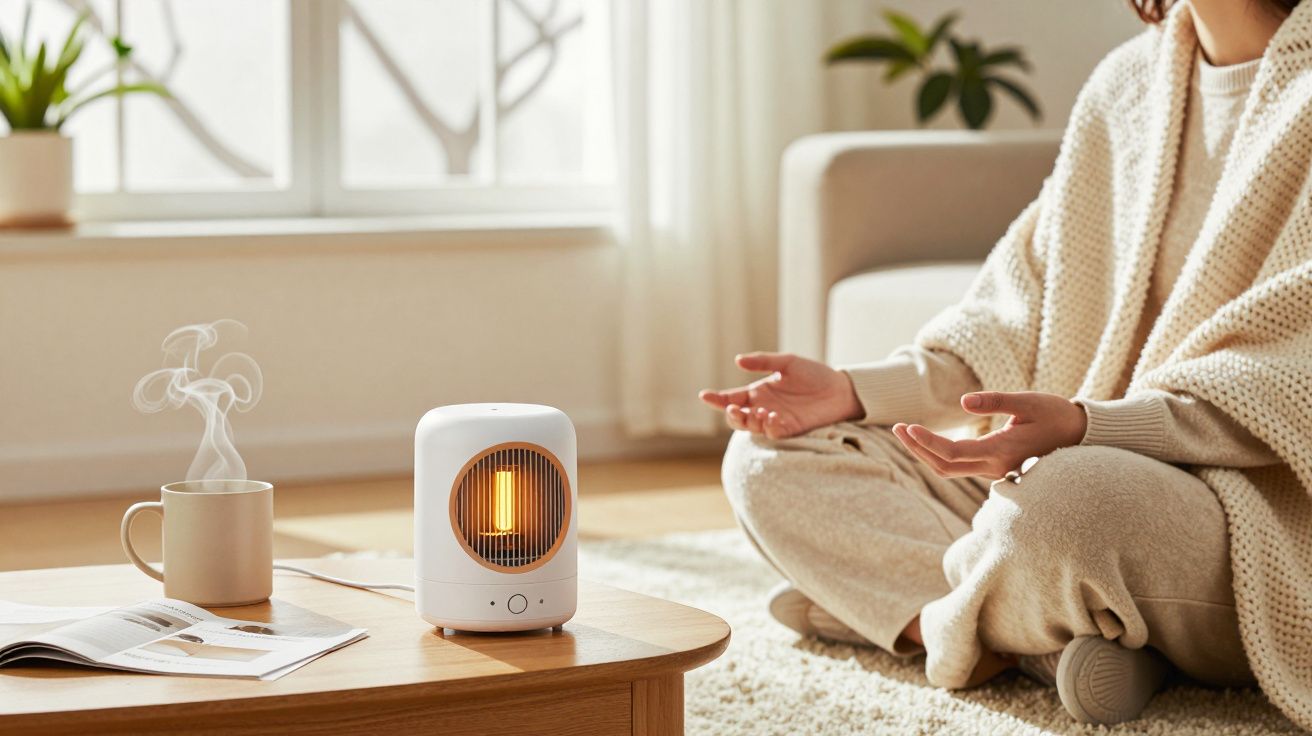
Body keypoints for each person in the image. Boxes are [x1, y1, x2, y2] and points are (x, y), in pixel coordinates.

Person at [701, 0, 1312, 727]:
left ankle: (909, 617)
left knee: (1065, 503)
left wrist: (1089, 427)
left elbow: (1290, 383)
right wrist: (853, 392)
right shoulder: (1128, 83)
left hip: (1228, 513)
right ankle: (1026, 641)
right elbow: (1015, 308)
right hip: (1048, 468)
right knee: (768, 459)